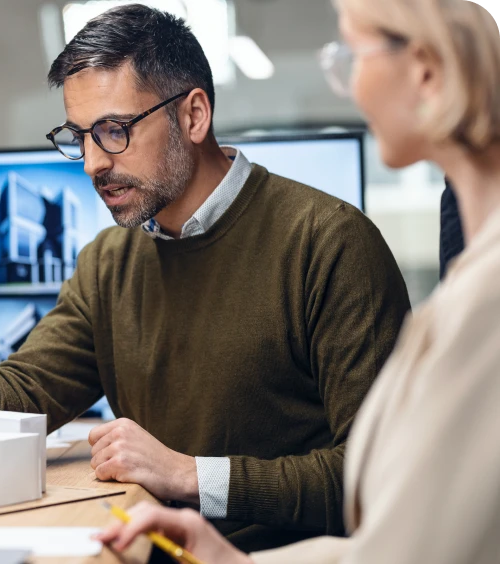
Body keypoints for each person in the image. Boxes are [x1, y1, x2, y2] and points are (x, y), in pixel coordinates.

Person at [0, 4, 410, 552]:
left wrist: (190, 475)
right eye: (80, 136)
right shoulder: (110, 261)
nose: (93, 162)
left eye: (113, 130)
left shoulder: (330, 242)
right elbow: (22, 399)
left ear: (193, 116)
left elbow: (380, 474)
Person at [96, 1, 500, 562]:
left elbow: (406, 539)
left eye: (351, 55)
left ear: (426, 70)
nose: (348, 87)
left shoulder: (475, 296)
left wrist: (192, 478)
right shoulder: (470, 256)